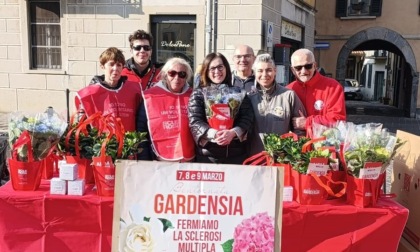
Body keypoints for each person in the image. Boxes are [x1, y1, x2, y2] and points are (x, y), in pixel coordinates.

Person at [188, 52, 254, 164]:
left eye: (220, 67)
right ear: (206, 71)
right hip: (208, 156)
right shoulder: (199, 94)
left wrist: (233, 133)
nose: (217, 71)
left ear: (226, 68)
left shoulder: (239, 93)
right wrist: (214, 134)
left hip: (236, 155)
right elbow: (194, 120)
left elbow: (248, 118)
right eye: (212, 68)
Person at [137, 57, 195, 162]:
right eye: (172, 73)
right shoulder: (150, 96)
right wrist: (145, 159)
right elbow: (141, 130)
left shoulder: (194, 95)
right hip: (159, 160)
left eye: (182, 74)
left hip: (189, 159)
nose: (177, 78)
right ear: (164, 75)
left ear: (187, 77)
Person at [248, 54, 307, 155]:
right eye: (260, 71)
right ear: (254, 73)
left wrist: (293, 152)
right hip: (255, 160)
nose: (265, 74)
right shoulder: (249, 98)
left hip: (281, 159)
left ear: (275, 71)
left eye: (269, 70)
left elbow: (300, 131)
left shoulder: (288, 96)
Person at [75, 47, 141, 132]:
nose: (115, 68)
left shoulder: (134, 90)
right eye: (111, 64)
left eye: (119, 65)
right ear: (102, 66)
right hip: (101, 143)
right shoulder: (89, 94)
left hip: (130, 142)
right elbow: (81, 125)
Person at [287, 48, 346, 137]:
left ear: (315, 65)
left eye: (308, 66)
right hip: (294, 146)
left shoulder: (333, 87)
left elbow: (338, 120)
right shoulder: (288, 90)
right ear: (292, 70)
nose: (304, 71)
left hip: (324, 145)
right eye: (298, 68)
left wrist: (308, 122)